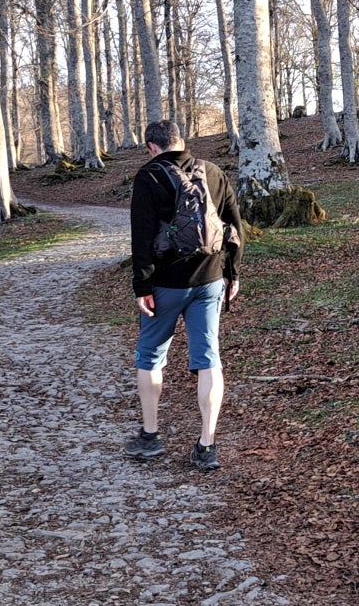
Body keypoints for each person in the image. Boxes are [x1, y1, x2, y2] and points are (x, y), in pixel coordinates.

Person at [126, 119, 243, 470]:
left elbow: (142, 235)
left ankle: (150, 437)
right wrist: (232, 272)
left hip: (164, 284)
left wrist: (142, 286)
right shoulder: (212, 171)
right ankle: (207, 445)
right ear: (181, 141)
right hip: (210, 280)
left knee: (150, 355)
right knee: (208, 357)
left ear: (152, 146)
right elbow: (234, 225)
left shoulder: (149, 177)